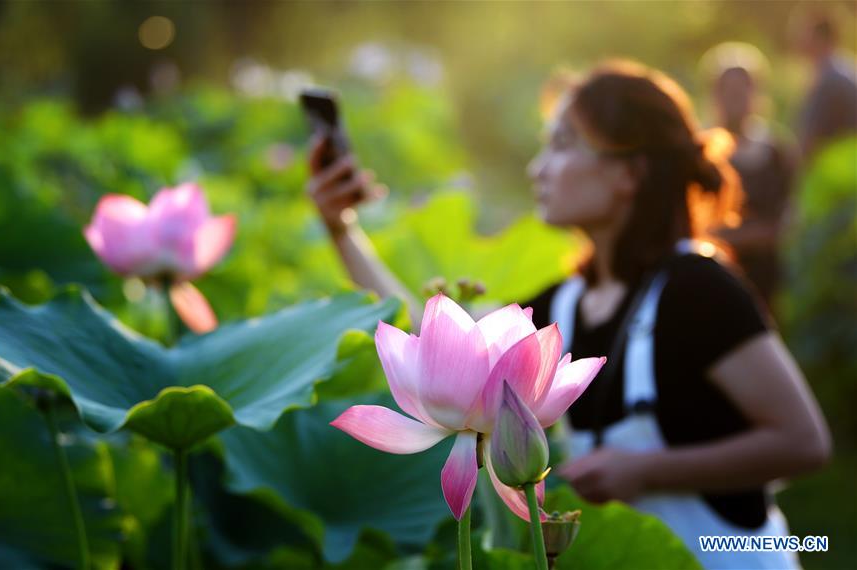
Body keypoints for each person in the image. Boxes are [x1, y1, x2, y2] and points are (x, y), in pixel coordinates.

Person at [306, 60, 831, 569]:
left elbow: (804, 442)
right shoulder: (569, 301)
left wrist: (646, 471)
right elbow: (444, 346)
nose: (537, 168)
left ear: (629, 172)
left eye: (561, 145)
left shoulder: (699, 290)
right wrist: (342, 228)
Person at [702, 43, 797, 313]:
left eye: (742, 89)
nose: (736, 97)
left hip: (765, 279)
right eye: (728, 90)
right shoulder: (702, 151)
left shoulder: (777, 152)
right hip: (712, 276)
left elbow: (788, 219)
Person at [791, 5, 857, 160]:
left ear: (819, 38)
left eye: (804, 33)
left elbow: (810, 140)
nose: (797, 38)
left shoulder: (830, 80)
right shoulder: (843, 69)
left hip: (835, 168)